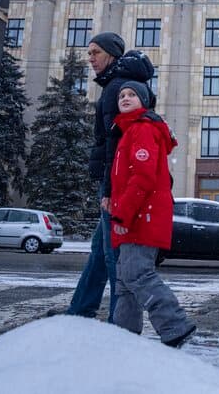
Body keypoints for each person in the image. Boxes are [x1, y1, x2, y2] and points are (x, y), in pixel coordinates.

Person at [62, 32, 154, 321]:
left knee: (113, 252)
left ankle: (120, 318)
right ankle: (81, 308)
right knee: (100, 250)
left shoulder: (116, 88)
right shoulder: (118, 86)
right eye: (89, 53)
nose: (90, 58)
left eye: (95, 53)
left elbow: (118, 144)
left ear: (112, 55)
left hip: (115, 181)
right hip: (113, 178)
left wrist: (111, 190)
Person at [109, 80, 196, 347]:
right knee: (125, 280)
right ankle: (124, 333)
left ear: (144, 101)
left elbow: (143, 177)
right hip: (135, 214)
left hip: (140, 216)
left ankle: (175, 326)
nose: (124, 98)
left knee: (137, 274)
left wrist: (122, 214)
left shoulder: (143, 129)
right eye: (122, 95)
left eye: (132, 94)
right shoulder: (128, 130)